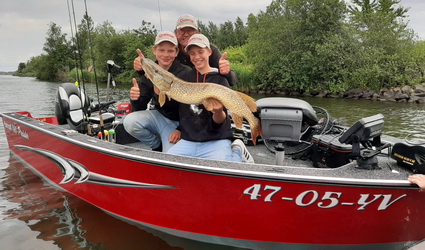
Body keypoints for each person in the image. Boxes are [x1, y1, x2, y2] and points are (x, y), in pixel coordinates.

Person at [166, 34, 253, 163]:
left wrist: (218, 112)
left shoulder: (220, 79)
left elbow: (220, 121)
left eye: (200, 52)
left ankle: (237, 150)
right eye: (192, 54)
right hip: (189, 140)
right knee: (167, 165)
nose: (197, 57)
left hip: (216, 139)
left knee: (222, 170)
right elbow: (179, 109)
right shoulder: (183, 78)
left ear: (209, 52)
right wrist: (179, 129)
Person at [123, 31, 190, 152]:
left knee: (171, 156)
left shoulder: (185, 72)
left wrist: (180, 129)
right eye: (161, 50)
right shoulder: (149, 72)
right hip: (159, 117)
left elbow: (191, 108)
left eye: (170, 51)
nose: (166, 54)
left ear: (176, 52)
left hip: (179, 122)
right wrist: (135, 98)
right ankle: (156, 145)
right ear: (154, 51)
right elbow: (139, 107)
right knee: (129, 121)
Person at [134, 14, 237, 86]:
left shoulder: (209, 50)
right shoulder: (171, 50)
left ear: (198, 32)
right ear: (176, 32)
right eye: (182, 30)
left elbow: (232, 81)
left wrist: (226, 72)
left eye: (191, 30)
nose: (186, 34)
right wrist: (141, 69)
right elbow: (158, 74)